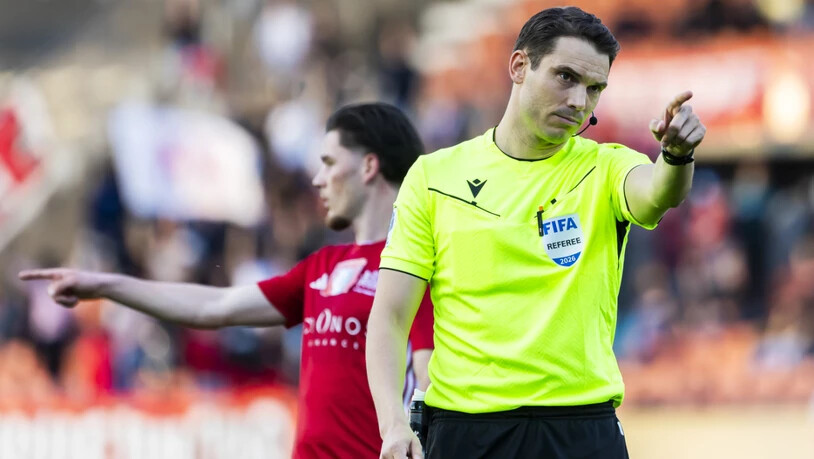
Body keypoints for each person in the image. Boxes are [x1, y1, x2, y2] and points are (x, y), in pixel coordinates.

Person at [366, 7, 706, 459]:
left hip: (580, 429)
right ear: (519, 66)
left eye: (594, 88)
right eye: (565, 77)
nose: (580, 102)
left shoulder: (605, 167)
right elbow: (389, 317)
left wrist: (677, 157)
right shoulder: (434, 176)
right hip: (466, 432)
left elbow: (657, 194)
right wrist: (392, 424)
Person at [20, 103, 434, 459]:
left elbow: (428, 380)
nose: (317, 179)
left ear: (368, 165)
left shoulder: (412, 267)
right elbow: (213, 307)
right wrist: (107, 284)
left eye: (328, 163)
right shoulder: (321, 267)